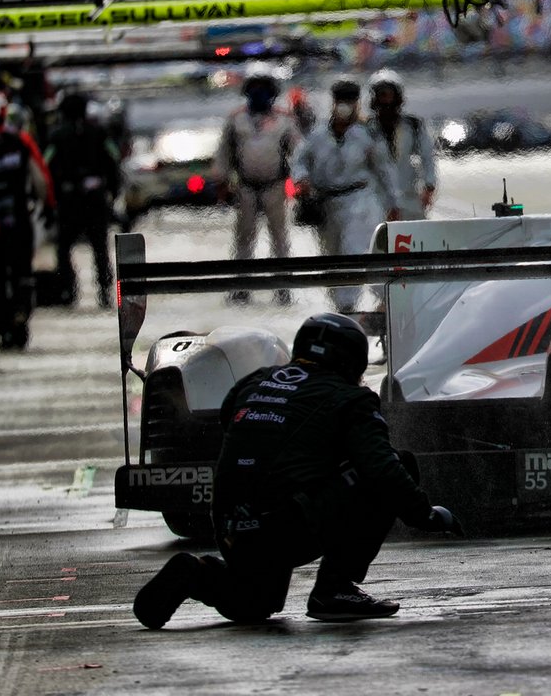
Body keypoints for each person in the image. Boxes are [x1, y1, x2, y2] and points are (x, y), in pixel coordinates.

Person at [133, 312, 464, 629]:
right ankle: (335, 588)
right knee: (395, 463)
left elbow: (232, 423)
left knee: (256, 603)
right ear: (351, 359)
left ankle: (196, 573)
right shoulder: (351, 399)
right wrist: (426, 515)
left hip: (230, 526)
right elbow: (382, 468)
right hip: (283, 525)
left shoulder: (254, 383)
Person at [290, 76, 401, 312]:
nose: (344, 105)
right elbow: (300, 161)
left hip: (360, 200)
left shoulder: (367, 135)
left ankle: (363, 302)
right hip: (327, 204)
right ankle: (342, 306)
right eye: (341, 100)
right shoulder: (317, 135)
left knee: (357, 251)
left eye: (349, 100)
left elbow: (384, 170)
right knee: (332, 257)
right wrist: (301, 181)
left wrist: (393, 203)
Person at [211, 62, 302, 305]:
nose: (259, 92)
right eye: (255, 87)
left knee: (280, 239)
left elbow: (298, 152)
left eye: (264, 87)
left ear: (273, 91)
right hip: (246, 187)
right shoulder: (236, 120)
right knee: (243, 239)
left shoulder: (285, 120)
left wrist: (302, 183)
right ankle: (241, 288)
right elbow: (224, 153)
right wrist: (221, 182)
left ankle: (284, 288)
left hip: (275, 186)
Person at [0, 88, 56, 350]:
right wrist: (48, 205)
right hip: (18, 219)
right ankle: (19, 320)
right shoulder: (19, 140)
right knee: (21, 272)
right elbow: (40, 177)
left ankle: (4, 328)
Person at [44, 91, 121, 309]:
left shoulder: (57, 136)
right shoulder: (98, 132)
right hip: (95, 199)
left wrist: (50, 200)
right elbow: (113, 160)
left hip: (69, 201)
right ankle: (105, 291)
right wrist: (113, 192)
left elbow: (45, 166)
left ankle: (69, 291)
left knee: (63, 248)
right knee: (100, 246)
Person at [365, 69, 437, 220]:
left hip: (409, 197)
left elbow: (427, 157)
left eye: (389, 94)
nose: (385, 100)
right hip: (376, 200)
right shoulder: (365, 130)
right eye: (381, 95)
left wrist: (429, 186)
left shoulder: (413, 126)